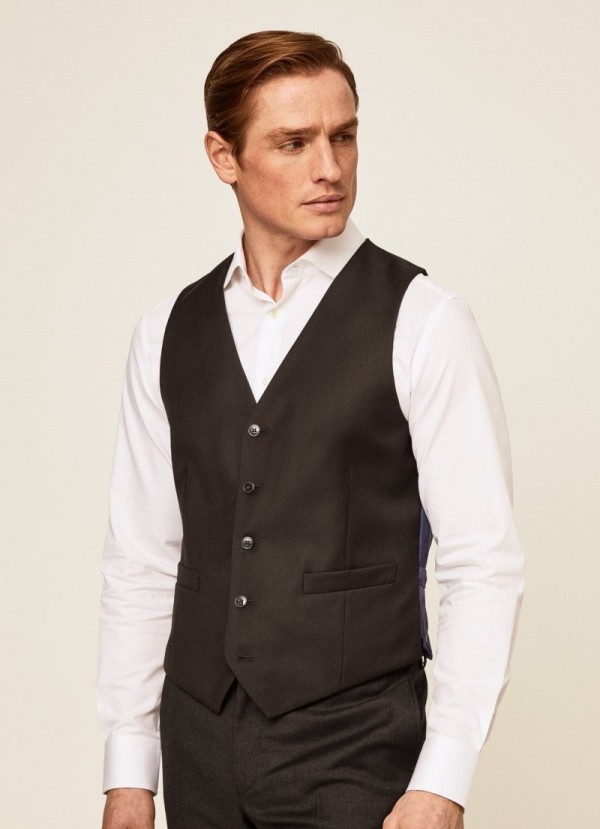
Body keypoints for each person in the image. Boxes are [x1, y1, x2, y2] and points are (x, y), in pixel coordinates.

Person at [97, 30, 524, 829]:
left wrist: (444, 779)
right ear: (223, 157)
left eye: (344, 136)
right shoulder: (167, 332)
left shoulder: (424, 320)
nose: (330, 167)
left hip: (355, 746)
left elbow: (482, 561)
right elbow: (144, 558)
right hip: (196, 743)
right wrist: (129, 770)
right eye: (294, 143)